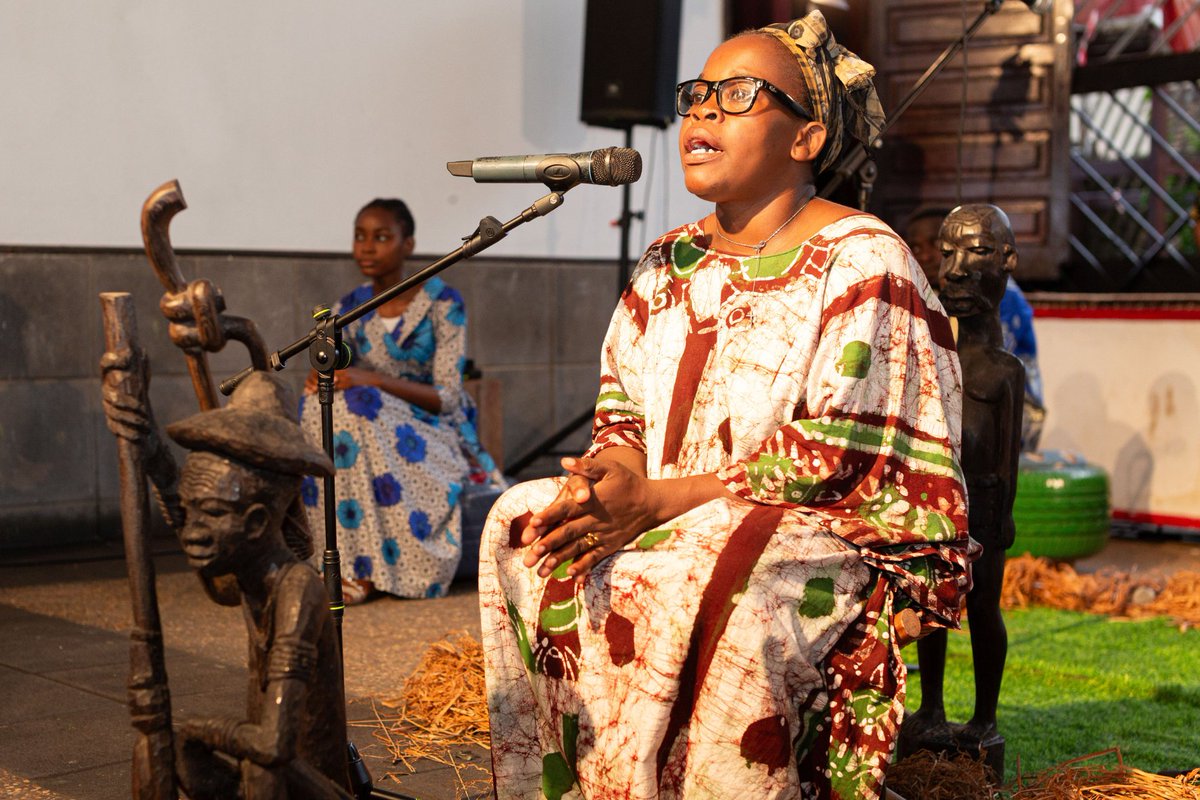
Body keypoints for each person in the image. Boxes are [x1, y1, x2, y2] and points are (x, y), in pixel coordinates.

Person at [478, 13, 975, 800]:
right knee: (519, 521)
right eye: (699, 93)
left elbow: (839, 451)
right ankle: (592, 782)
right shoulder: (665, 259)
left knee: (706, 567)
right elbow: (621, 403)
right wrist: (615, 475)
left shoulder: (863, 259)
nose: (704, 110)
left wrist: (658, 502)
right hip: (669, 506)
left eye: (739, 94)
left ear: (806, 139)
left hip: (818, 526)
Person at [102, 366, 351, 799]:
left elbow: (273, 746)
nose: (193, 531)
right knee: (166, 750)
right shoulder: (253, 578)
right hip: (267, 770)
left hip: (306, 786)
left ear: (256, 523)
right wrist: (150, 447)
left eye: (212, 514)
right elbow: (212, 576)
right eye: (192, 512)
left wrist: (203, 729)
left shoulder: (299, 590)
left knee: (260, 769)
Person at [299, 198, 502, 602]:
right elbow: (340, 370)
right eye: (360, 236)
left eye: (381, 237)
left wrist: (372, 379)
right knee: (319, 406)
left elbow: (448, 397)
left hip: (433, 429)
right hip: (366, 426)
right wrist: (322, 377)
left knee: (359, 402)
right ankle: (337, 561)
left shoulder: (443, 303)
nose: (367, 247)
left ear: (408, 244)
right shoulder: (347, 309)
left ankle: (367, 571)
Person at [901, 204, 1025, 769]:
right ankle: (930, 707)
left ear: (1006, 260)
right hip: (936, 506)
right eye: (948, 252)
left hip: (984, 509)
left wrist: (1002, 518)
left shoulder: (1003, 371)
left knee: (982, 608)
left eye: (976, 252)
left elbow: (1007, 455)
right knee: (931, 604)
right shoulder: (931, 360)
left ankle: (984, 717)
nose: (955, 270)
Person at [904, 205, 1045, 450]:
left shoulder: (998, 294)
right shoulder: (926, 293)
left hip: (1014, 413)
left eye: (933, 245)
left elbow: (986, 372)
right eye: (916, 249)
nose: (925, 256)